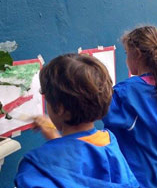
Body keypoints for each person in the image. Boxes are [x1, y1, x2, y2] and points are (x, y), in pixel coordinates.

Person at [14, 54, 139, 188]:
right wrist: (55, 139)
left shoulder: (35, 169)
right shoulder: (109, 143)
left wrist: (56, 146)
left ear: (59, 108)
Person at [102, 26, 157, 188]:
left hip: (131, 174)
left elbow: (99, 111)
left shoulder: (126, 91)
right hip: (154, 169)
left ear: (136, 54)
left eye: (126, 53)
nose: (125, 59)